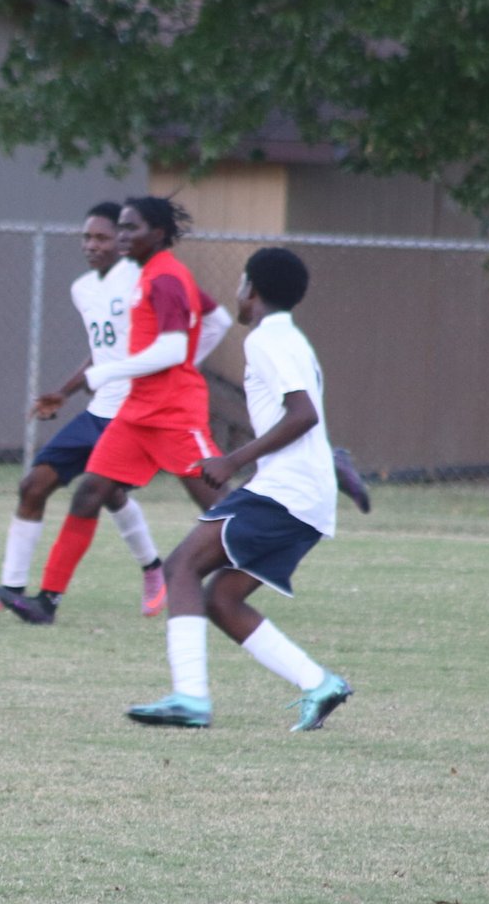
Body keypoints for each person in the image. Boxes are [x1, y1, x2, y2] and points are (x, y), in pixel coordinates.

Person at [126, 247, 351, 730]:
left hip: (286, 494)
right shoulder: (291, 339)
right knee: (221, 600)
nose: (237, 294)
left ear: (252, 289)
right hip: (300, 496)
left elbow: (303, 415)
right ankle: (319, 683)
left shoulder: (266, 340)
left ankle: (190, 698)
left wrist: (232, 460)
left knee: (181, 566)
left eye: (241, 284)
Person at [0, 196, 228, 625]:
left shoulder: (166, 277)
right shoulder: (142, 275)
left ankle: (253, 567)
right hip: (135, 412)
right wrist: (90, 381)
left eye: (129, 228)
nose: (120, 237)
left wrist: (110, 372)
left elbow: (176, 347)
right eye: (118, 228)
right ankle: (46, 602)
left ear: (157, 233)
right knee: (89, 493)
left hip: (174, 413)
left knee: (220, 503)